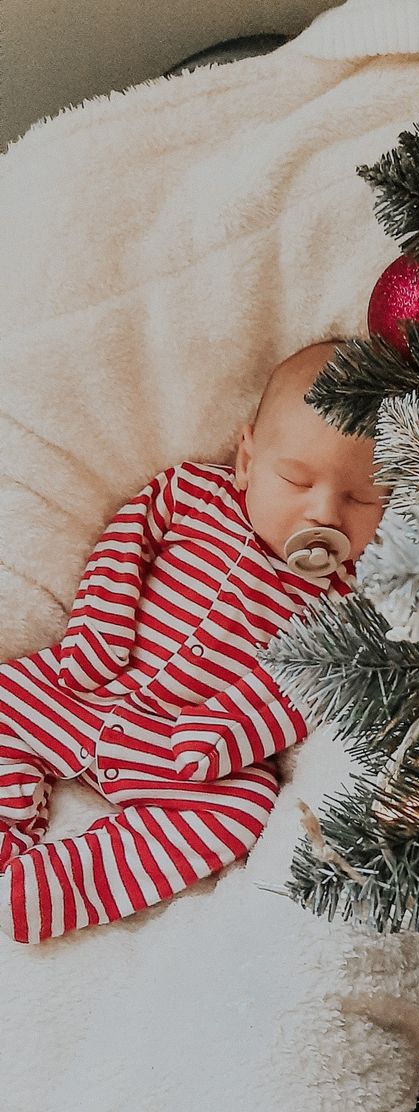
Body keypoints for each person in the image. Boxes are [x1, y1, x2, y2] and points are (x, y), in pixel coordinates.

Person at [0, 340, 389, 944]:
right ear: (247, 461)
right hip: (91, 686)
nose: (323, 513)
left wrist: (220, 736)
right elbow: (124, 546)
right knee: (9, 695)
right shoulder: (189, 494)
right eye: (296, 479)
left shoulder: (346, 596)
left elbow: (306, 679)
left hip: (182, 750)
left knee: (241, 812)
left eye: (360, 498)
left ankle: (57, 884)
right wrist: (96, 635)